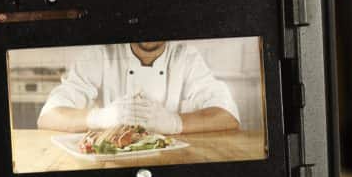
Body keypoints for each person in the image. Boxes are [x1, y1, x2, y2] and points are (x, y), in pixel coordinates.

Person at [36, 41, 240, 134]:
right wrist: (102, 117)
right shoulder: (100, 54)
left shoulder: (186, 57)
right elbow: (49, 116)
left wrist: (175, 123)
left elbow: (228, 115)